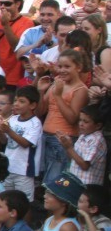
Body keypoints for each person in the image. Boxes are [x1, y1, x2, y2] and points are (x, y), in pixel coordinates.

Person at [36, 49, 89, 184]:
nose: (62, 70)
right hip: (45, 137)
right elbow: (40, 112)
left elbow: (72, 118)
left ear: (78, 67)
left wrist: (58, 95)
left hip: (62, 139)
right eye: (60, 66)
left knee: (54, 182)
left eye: (67, 66)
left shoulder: (81, 90)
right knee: (44, 179)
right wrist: (41, 92)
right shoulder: (57, 84)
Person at [0, 85, 42, 201]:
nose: (16, 104)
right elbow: (4, 141)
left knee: (24, 201)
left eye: (22, 101)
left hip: (24, 170)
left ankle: (25, 219)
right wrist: (0, 130)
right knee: (6, 198)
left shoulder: (35, 123)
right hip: (8, 167)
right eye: (15, 100)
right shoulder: (13, 119)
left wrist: (8, 130)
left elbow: (25, 143)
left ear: (32, 105)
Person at [0, 0, 34, 88]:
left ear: (18, 4)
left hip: (15, 77)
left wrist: (6, 25)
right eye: (1, 3)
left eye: (7, 4)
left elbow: (17, 46)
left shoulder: (27, 23)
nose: (3, 7)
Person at [60, 104, 107, 186]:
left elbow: (85, 166)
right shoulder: (83, 135)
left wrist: (69, 148)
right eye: (80, 120)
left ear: (98, 125)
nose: (81, 124)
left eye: (86, 122)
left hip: (85, 186)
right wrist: (66, 145)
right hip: (74, 180)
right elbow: (74, 158)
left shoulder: (97, 141)